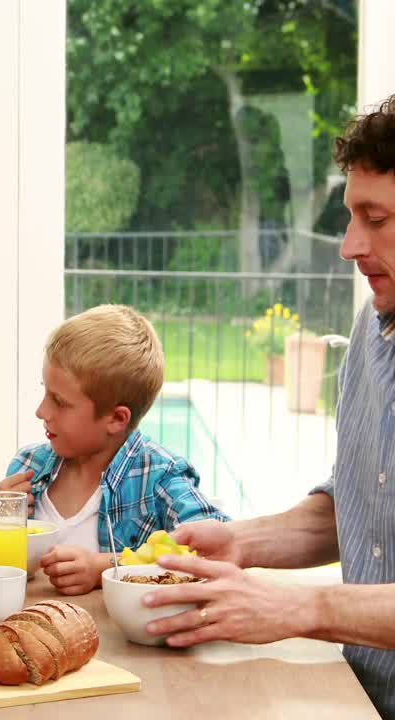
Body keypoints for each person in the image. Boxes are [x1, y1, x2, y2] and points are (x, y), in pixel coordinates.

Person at [144, 93, 395, 718]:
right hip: (361, 694)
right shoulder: (373, 329)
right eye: (349, 215)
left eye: (377, 218)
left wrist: (300, 607)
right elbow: (356, 505)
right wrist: (240, 542)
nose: (349, 245)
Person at [0, 304, 227, 595]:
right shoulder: (27, 465)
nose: (41, 411)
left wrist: (105, 567)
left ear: (116, 419)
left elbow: (212, 546)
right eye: (45, 391)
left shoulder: (159, 475)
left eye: (60, 401)